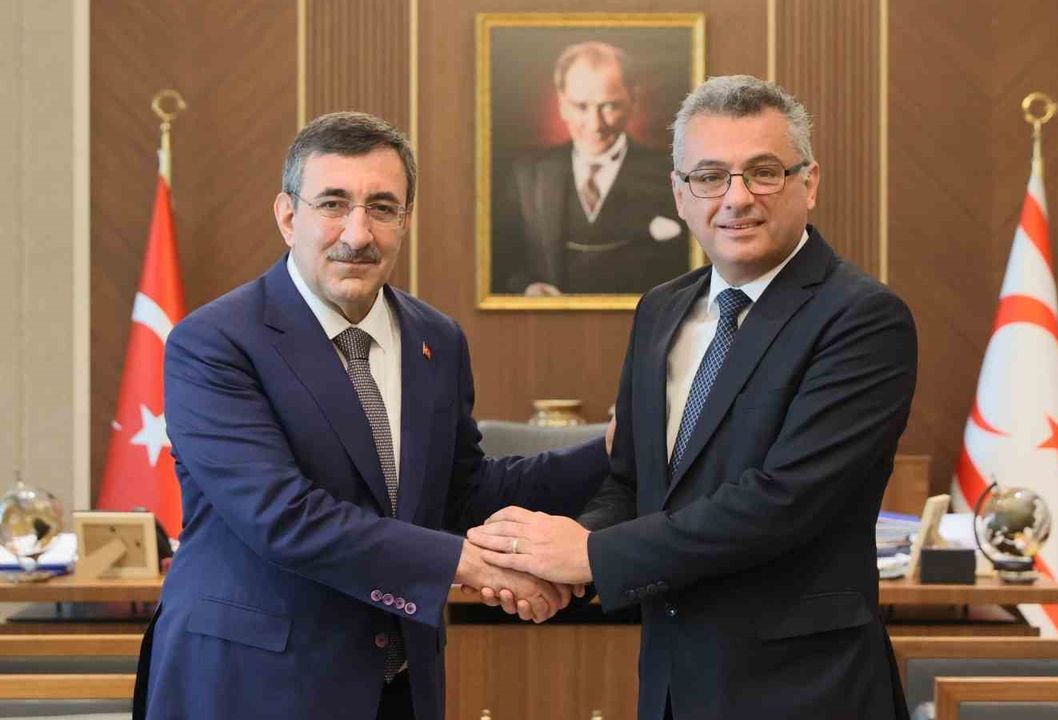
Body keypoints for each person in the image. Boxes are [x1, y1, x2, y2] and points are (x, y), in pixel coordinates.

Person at [133, 112, 609, 720]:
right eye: (333, 204)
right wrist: (468, 564)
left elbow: (462, 491)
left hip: (399, 687)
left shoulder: (436, 339)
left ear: (405, 219)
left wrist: (613, 449)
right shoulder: (215, 341)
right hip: (251, 685)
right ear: (288, 216)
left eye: (382, 208)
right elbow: (283, 515)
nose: (357, 234)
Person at [470, 76, 917, 719]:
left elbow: (784, 502)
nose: (737, 197)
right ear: (680, 193)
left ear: (809, 182)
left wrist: (589, 556)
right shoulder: (661, 311)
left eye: (763, 172)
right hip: (673, 685)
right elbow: (631, 481)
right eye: (709, 176)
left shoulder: (862, 318)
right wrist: (568, 554)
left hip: (806, 690)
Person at [500, 41, 689, 296]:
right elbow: (503, 261)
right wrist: (527, 288)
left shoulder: (673, 175)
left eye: (609, 106)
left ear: (633, 101)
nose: (595, 125)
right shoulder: (527, 174)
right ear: (562, 105)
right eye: (581, 106)